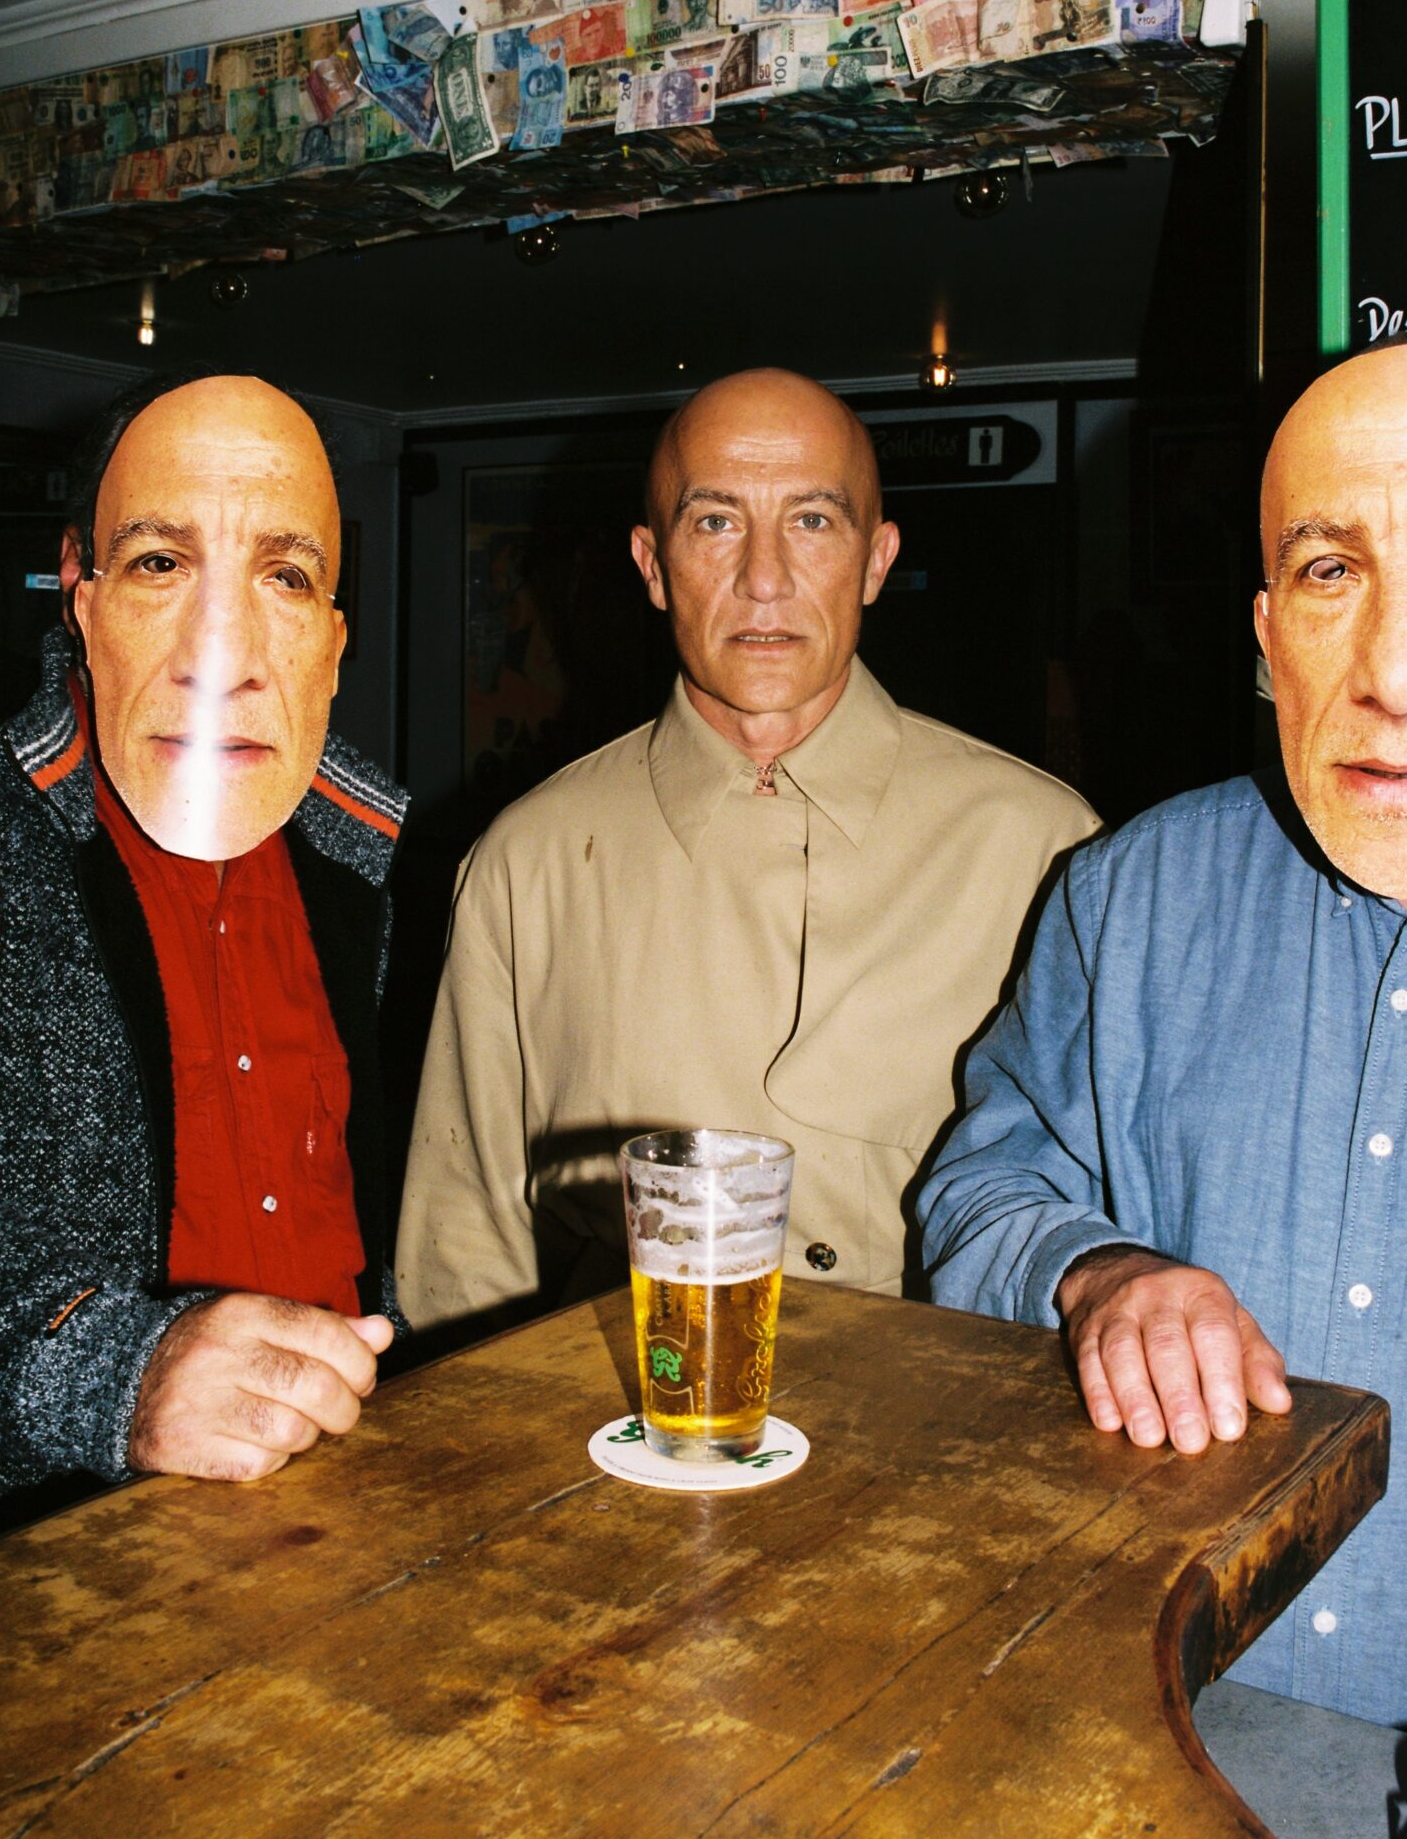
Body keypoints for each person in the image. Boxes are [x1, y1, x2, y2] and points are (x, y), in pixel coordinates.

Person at [920, 340, 1407, 1783]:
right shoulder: (1124, 897)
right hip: (1147, 1760)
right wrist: (1099, 1274)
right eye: (1334, 571)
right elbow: (978, 1194)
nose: (1398, 682)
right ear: (1268, 620)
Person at [0, 369, 409, 1579]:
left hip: (336, 1533)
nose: (220, 652)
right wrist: (119, 1371)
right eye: (161, 562)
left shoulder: (355, 861)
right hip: (31, 1573)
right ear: (79, 593)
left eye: (284, 576)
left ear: (335, 638)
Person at [396, 367, 1096, 1328]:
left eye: (812, 520)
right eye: (715, 522)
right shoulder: (529, 861)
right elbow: (465, 1243)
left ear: (876, 561)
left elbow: (1101, 1210)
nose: (763, 579)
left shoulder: (1042, 848)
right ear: (652, 566)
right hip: (623, 1398)